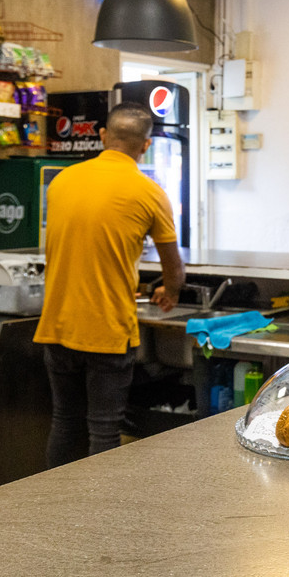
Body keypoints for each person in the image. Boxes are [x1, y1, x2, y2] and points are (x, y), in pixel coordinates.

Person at [34, 102, 185, 468]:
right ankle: (96, 520)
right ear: (145, 146)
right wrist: (169, 291)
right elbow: (174, 270)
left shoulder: (62, 181)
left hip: (56, 325)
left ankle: (53, 509)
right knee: (103, 429)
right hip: (107, 329)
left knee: (65, 422)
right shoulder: (149, 192)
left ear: (103, 136)